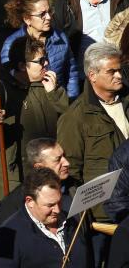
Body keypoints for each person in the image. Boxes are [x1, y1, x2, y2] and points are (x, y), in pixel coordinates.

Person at [58, 42, 128, 266]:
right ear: (92, 75)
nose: (119, 75)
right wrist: (83, 214)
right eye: (112, 71)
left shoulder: (126, 101)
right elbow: (70, 171)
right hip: (100, 216)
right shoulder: (76, 117)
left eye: (120, 70)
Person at [0, 37, 69, 201]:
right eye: (41, 61)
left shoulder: (50, 87)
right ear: (21, 66)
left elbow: (68, 120)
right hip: (14, 180)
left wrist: (54, 94)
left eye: (46, 59)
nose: (46, 64)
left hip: (46, 178)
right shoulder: (3, 91)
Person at [0, 167, 89, 267]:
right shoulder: (6, 236)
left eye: (59, 202)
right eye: (50, 205)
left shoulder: (70, 221)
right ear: (30, 201)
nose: (58, 210)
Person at [1, 0, 79, 98]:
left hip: (58, 101)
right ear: (27, 19)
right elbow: (8, 76)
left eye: (49, 12)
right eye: (42, 14)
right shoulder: (12, 43)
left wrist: (70, 100)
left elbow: (71, 72)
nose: (48, 17)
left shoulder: (61, 38)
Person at [0, 137, 75, 227]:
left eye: (64, 156)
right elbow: (4, 237)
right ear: (39, 167)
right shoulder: (14, 203)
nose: (66, 163)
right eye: (58, 160)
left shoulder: (74, 187)